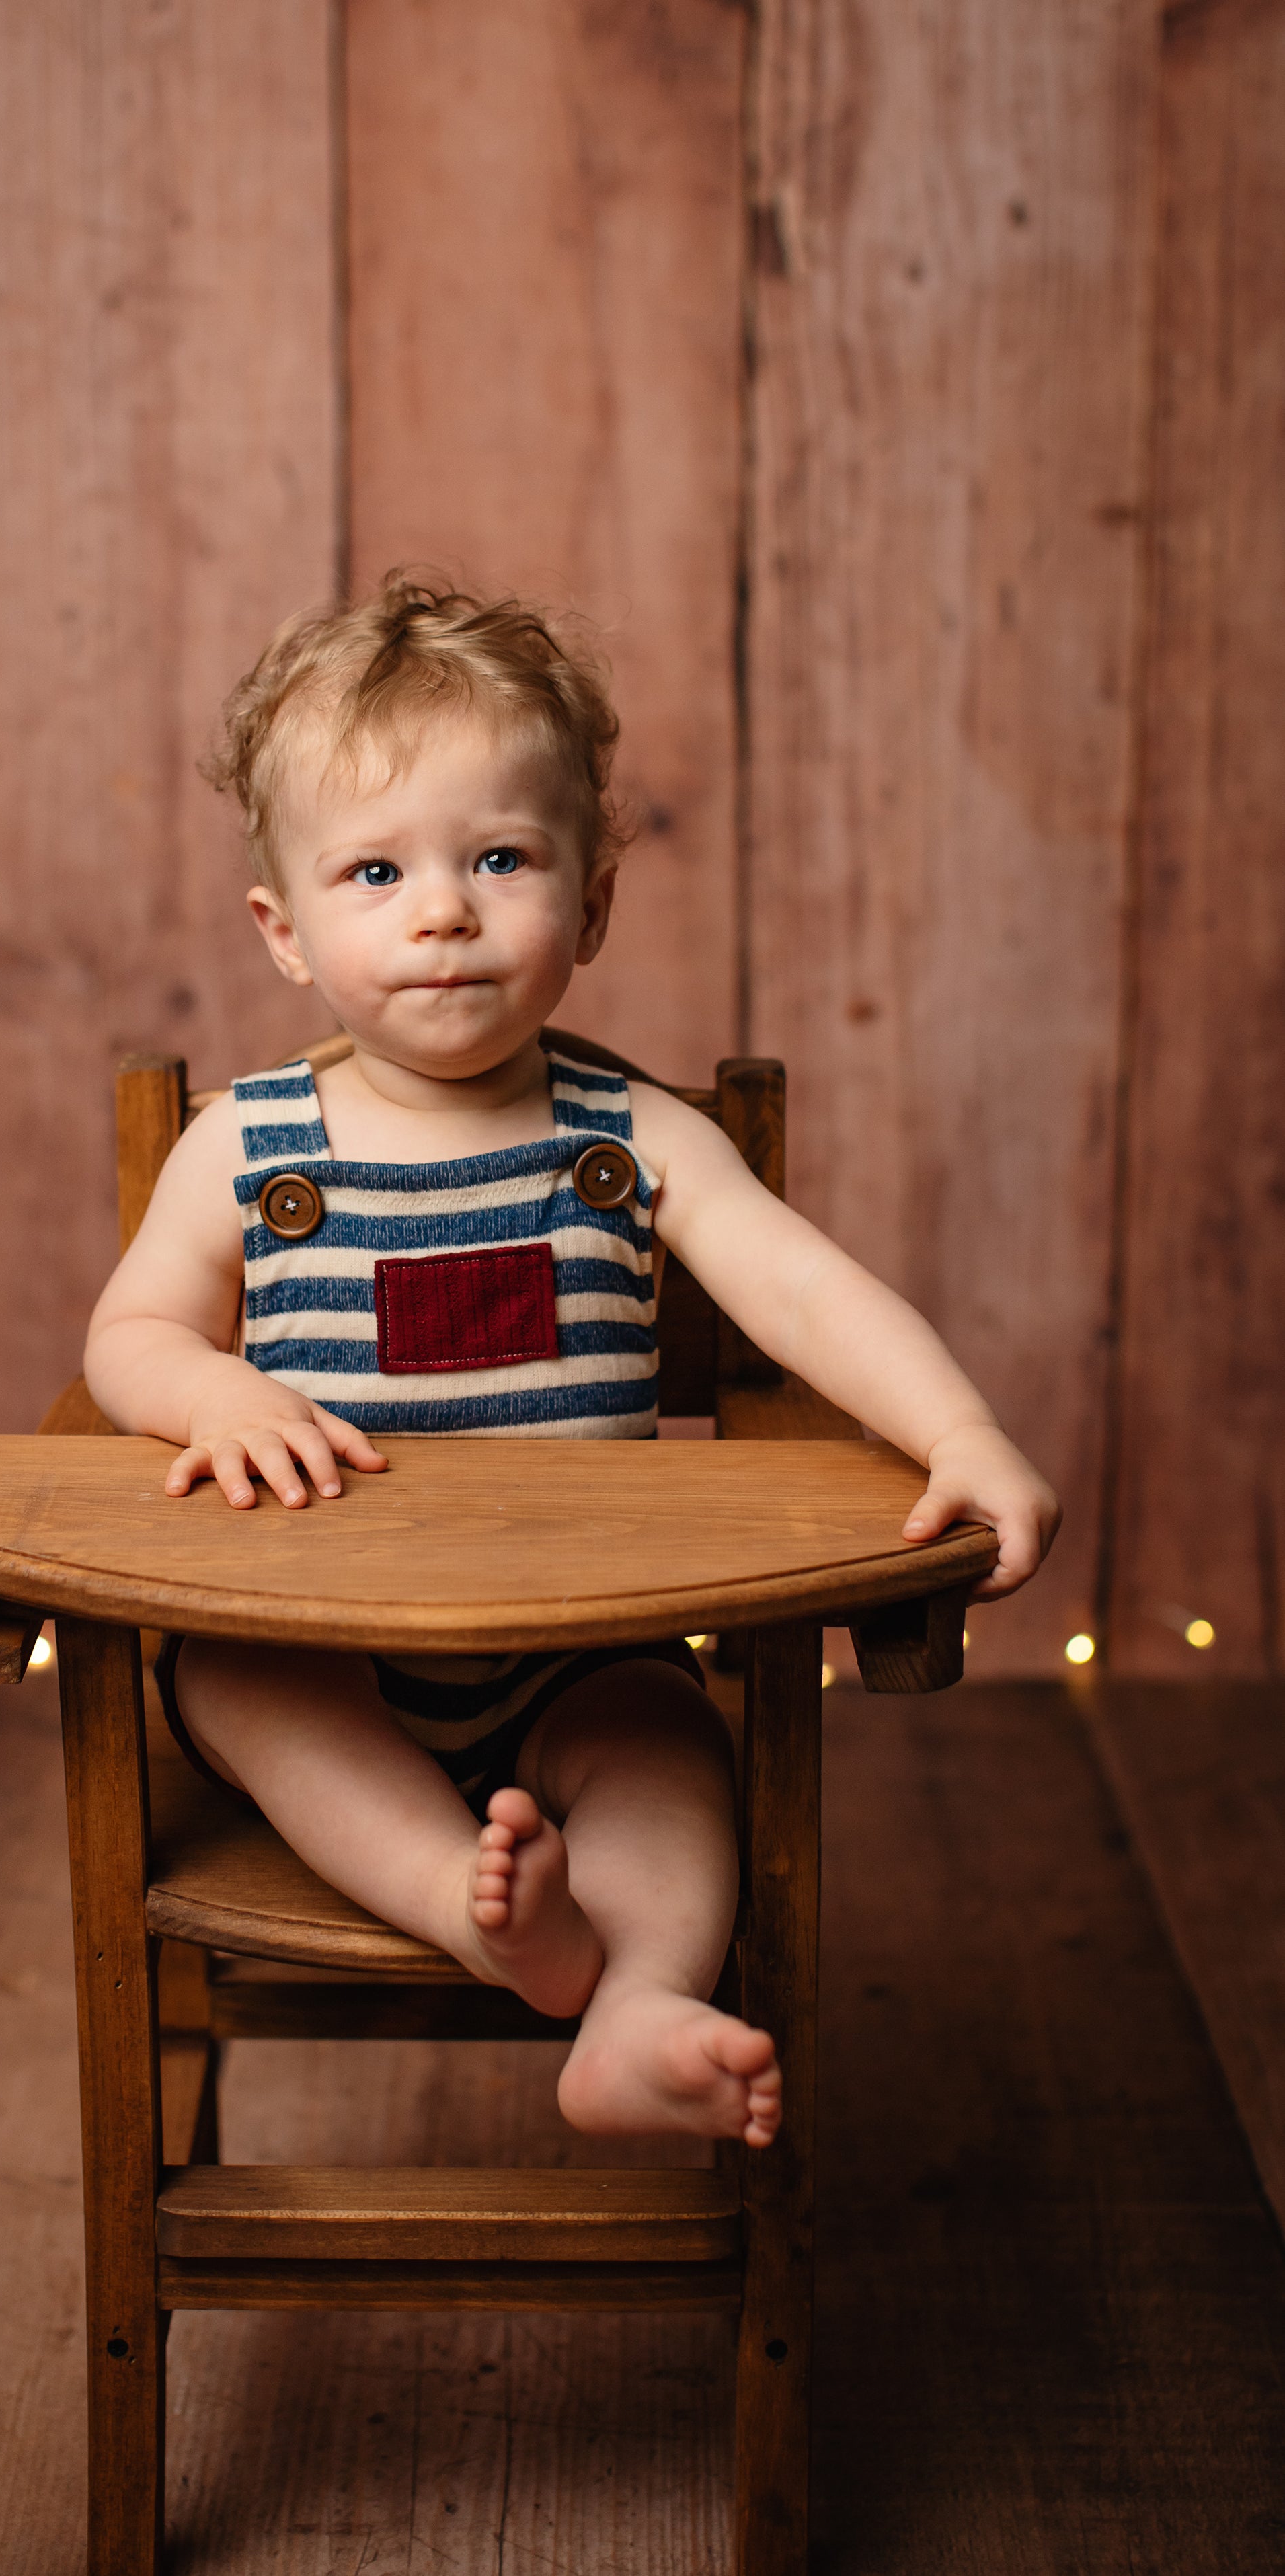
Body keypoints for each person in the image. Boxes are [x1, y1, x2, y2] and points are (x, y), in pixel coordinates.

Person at [84, 576, 1061, 2147]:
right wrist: (215, 1387)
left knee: (670, 1752)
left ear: (590, 901)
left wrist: (959, 1426)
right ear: (285, 928)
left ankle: (642, 1998)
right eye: (374, 869)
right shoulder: (247, 1150)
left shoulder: (630, 1138)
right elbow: (126, 1335)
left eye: (497, 857)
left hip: (580, 1644)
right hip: (316, 1632)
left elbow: (803, 1295)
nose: (442, 908)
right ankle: (476, 1913)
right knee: (238, 1683)